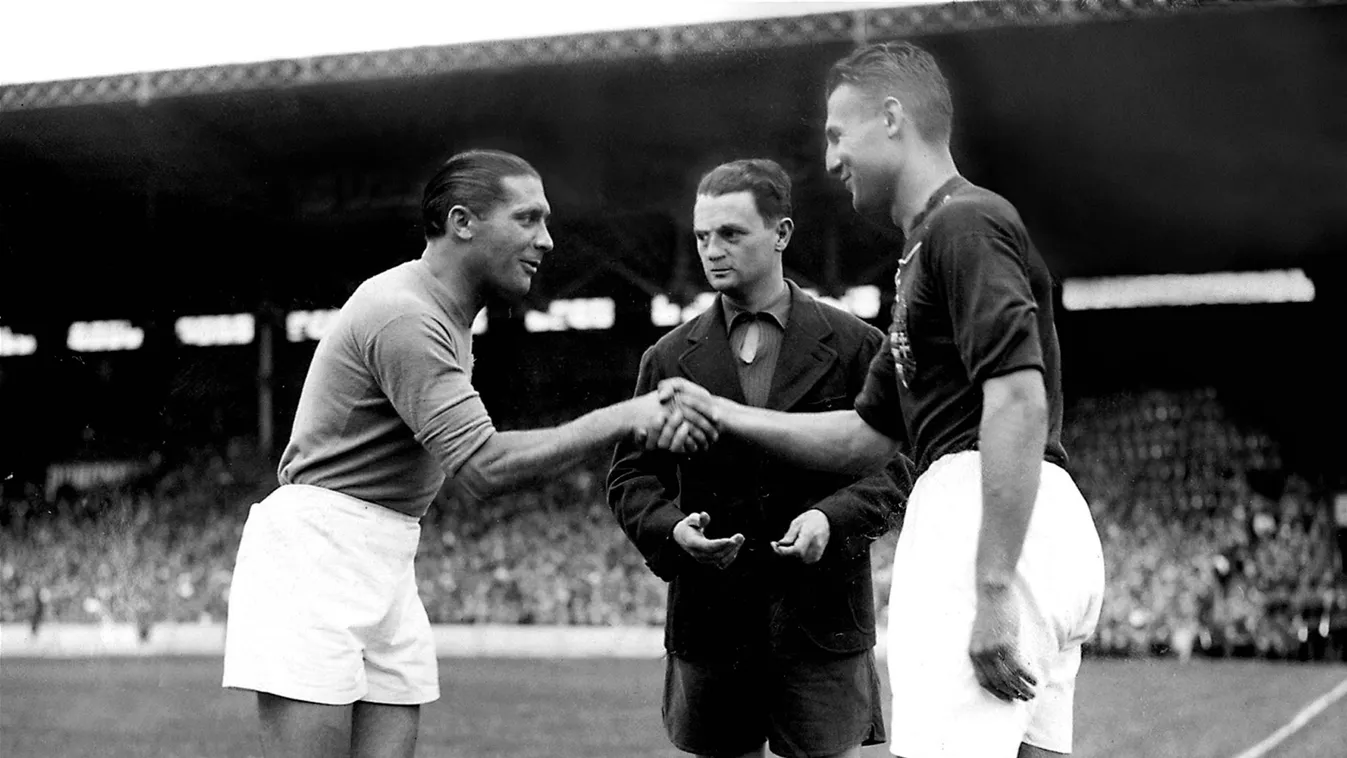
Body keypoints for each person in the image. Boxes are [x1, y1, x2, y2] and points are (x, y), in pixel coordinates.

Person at [663, 44, 1105, 757]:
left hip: (981, 511)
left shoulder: (964, 224)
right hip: (1024, 511)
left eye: (839, 132)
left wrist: (989, 583)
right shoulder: (927, 246)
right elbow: (864, 438)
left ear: (892, 118)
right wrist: (722, 410)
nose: (830, 156)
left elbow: (1018, 396)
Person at [222, 148, 715, 758]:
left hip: (386, 547)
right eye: (528, 219)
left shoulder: (447, 315)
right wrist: (628, 417)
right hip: (319, 554)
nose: (548, 240)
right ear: (462, 222)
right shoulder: (404, 313)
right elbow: (483, 468)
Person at [608, 158, 911, 758]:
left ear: (782, 234)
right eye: (701, 236)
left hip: (823, 623)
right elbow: (630, 475)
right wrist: (673, 530)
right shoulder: (666, 358)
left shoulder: (856, 345)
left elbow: (900, 466)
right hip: (711, 623)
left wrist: (833, 518)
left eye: (731, 234)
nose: (711, 250)